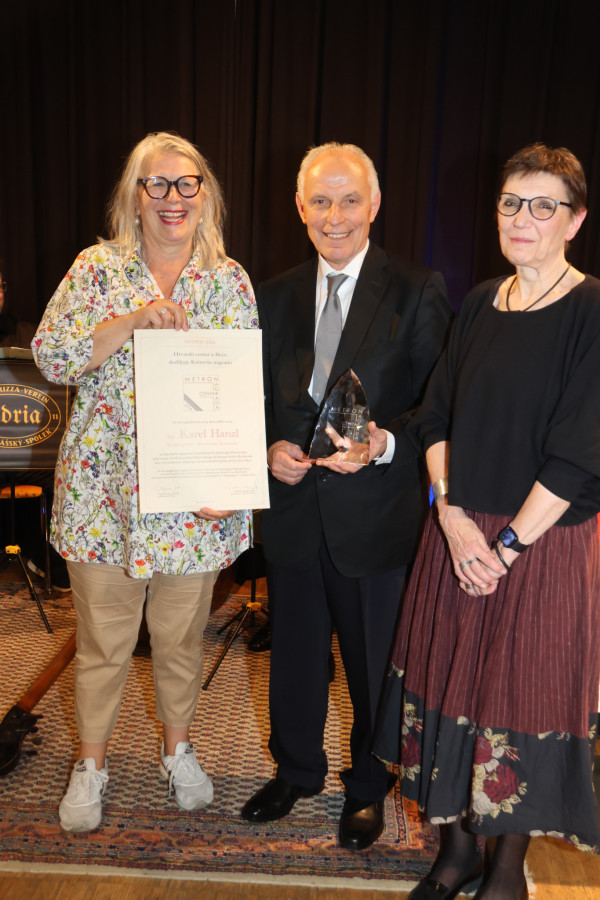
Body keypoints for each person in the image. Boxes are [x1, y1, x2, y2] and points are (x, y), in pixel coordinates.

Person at [374, 143, 600, 899]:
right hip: (460, 534)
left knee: (517, 698)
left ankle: (506, 872)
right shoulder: (478, 302)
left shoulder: (592, 310)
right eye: (511, 203)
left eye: (543, 205)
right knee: (453, 687)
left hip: (540, 545)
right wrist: (450, 517)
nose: (522, 218)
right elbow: (434, 416)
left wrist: (503, 547)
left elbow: (579, 456)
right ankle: (457, 853)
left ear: (575, 220)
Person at [32, 131, 257, 833]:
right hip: (101, 499)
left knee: (182, 640)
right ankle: (91, 764)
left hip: (194, 503)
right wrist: (131, 322)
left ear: (205, 195)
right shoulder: (96, 270)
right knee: (103, 642)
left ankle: (177, 749)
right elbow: (52, 357)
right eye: (156, 184)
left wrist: (233, 482)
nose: (172, 197)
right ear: (134, 197)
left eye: (186, 183)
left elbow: (242, 392)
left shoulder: (228, 280)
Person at [241, 142, 451, 850]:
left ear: (375, 205)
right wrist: (267, 448)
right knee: (295, 658)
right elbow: (252, 399)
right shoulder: (272, 294)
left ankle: (368, 786)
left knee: (373, 666)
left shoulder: (417, 289)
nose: (335, 217)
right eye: (321, 201)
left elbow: (437, 405)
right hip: (294, 513)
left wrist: (385, 443)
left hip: (377, 519)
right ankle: (296, 771)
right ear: (300, 208)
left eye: (350, 200)